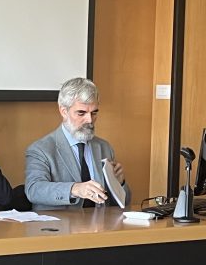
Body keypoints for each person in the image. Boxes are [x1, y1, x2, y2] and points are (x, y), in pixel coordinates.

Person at [25, 77, 131, 210]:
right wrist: (74, 189)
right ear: (64, 111)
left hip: (101, 222)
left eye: (94, 113)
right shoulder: (41, 149)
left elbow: (124, 203)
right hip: (60, 222)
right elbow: (34, 190)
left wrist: (120, 183)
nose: (89, 120)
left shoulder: (105, 147)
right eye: (81, 113)